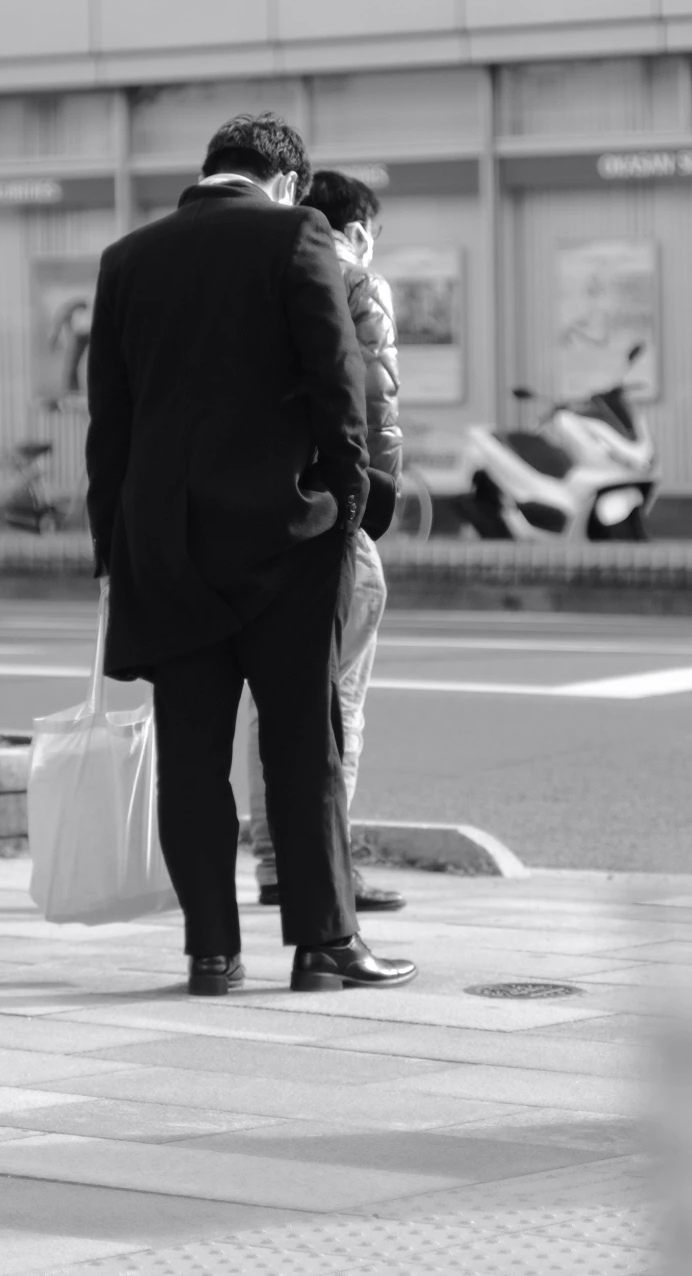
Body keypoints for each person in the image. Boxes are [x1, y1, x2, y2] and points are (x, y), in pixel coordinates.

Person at [85, 114, 414, 997]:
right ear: (288, 180)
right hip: (286, 537)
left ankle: (211, 954)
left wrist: (109, 551)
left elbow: (107, 426)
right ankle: (322, 944)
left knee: (191, 757)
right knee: (303, 742)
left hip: (165, 544)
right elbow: (338, 384)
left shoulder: (127, 259)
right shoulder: (296, 232)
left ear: (211, 170)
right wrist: (348, 508)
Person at [245, 169, 404, 914]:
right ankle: (327, 867)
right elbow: (377, 398)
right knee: (338, 700)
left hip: (264, 510)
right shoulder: (355, 276)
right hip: (334, 512)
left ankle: (276, 862)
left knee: (273, 700)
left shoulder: (262, 274)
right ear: (359, 227)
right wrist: (374, 504)